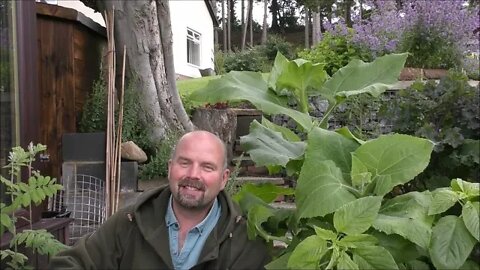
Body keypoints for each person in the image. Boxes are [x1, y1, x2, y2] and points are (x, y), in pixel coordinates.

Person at [49, 130, 271, 269]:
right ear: (169, 168)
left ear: (224, 179)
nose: (193, 175)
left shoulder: (245, 239)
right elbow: (68, 263)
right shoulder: (130, 221)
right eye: (184, 163)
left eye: (207, 167)